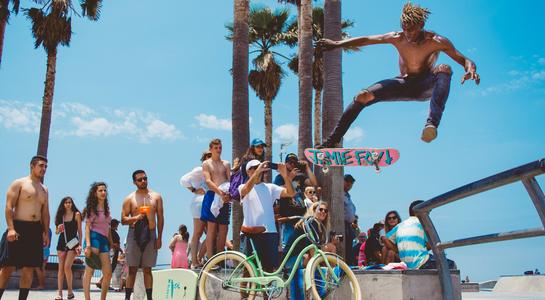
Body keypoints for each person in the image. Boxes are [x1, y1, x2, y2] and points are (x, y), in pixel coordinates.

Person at [316, 2, 480, 148]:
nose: (408, 33)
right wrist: (337, 43)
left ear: (421, 24)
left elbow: (464, 59)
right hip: (403, 84)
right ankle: (333, 140)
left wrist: (470, 68)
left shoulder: (436, 41)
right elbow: (367, 39)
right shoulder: (397, 37)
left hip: (425, 85)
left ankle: (431, 125)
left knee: (444, 68)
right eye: (404, 28)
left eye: (412, 29)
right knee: (362, 96)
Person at [0, 155, 50, 300]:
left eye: (46, 167)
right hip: (18, 228)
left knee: (29, 268)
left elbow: (45, 212)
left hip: (35, 230)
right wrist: (10, 228)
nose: (44, 169)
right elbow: (9, 206)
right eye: (41, 166)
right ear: (32, 166)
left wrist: (46, 232)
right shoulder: (19, 183)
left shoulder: (44, 189)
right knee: (7, 267)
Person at [238, 160, 295, 273]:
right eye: (254, 168)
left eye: (259, 167)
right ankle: (244, 291)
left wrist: (285, 175)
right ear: (248, 172)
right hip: (250, 233)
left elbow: (291, 193)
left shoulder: (270, 187)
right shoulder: (242, 187)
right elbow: (245, 191)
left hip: (270, 232)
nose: (258, 169)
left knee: (268, 270)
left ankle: (266, 291)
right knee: (248, 270)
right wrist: (257, 172)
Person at [122, 170, 165, 300]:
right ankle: (127, 297)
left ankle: (150, 298)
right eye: (140, 180)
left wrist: (159, 238)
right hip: (134, 234)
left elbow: (161, 218)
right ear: (134, 182)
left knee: (148, 269)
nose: (143, 181)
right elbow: (123, 220)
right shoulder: (129, 199)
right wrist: (136, 217)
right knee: (132, 269)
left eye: (145, 178)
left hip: (151, 234)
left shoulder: (156, 197)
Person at [383, 200, 456, 269]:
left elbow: (385, 239)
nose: (428, 213)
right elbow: (433, 244)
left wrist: (397, 249)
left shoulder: (400, 225)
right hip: (422, 263)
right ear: (419, 211)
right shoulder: (423, 224)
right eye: (427, 211)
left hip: (406, 264)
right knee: (451, 264)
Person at [283, 201, 330, 300]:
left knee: (317, 259)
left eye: (326, 211)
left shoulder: (315, 225)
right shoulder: (311, 223)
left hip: (296, 259)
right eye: (320, 209)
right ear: (313, 210)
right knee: (316, 262)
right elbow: (313, 251)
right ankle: (319, 293)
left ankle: (318, 293)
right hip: (292, 260)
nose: (323, 212)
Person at [274, 153, 318, 249]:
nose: (293, 165)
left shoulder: (300, 177)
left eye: (295, 162)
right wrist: (289, 178)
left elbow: (314, 183)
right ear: (285, 164)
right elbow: (278, 191)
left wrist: (307, 168)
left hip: (301, 219)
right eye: (290, 163)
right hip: (288, 219)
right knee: (289, 247)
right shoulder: (280, 177)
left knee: (303, 247)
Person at [200, 139, 231, 260]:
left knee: (224, 228)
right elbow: (208, 180)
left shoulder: (226, 163)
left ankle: (219, 259)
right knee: (211, 229)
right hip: (213, 195)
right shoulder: (206, 164)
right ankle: (211, 259)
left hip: (225, 197)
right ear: (211, 149)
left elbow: (230, 180)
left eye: (220, 148)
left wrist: (228, 194)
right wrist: (220, 192)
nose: (218, 150)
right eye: (216, 148)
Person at [179, 151, 211, 268]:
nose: (210, 159)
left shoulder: (214, 170)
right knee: (198, 232)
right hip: (199, 202)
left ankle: (199, 258)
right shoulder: (199, 170)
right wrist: (193, 190)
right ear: (203, 159)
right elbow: (183, 180)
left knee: (212, 233)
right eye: (208, 157)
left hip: (209, 202)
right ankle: (195, 261)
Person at [82, 182, 113, 300]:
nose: (103, 192)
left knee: (108, 273)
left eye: (105, 190)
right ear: (95, 193)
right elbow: (87, 227)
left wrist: (111, 241)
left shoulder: (107, 209)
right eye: (100, 190)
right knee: (90, 270)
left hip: (104, 240)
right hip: (93, 238)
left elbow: (108, 226)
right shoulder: (91, 209)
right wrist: (88, 245)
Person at [54, 196, 82, 300]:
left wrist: (79, 244)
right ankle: (60, 293)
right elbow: (57, 232)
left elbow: (80, 231)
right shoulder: (60, 215)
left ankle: (70, 290)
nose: (68, 204)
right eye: (66, 202)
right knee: (60, 269)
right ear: (63, 204)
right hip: (61, 243)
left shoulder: (77, 214)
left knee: (67, 267)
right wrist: (58, 229)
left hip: (73, 243)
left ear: (72, 203)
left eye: (69, 202)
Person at [96, 218, 121, 289]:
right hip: (113, 254)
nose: (118, 226)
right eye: (117, 225)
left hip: (106, 253)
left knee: (107, 269)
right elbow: (114, 245)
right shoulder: (115, 234)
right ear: (115, 225)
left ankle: (103, 282)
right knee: (110, 269)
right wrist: (120, 250)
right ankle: (102, 282)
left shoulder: (107, 232)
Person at [343, 174, 357, 265]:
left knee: (349, 250)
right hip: (341, 225)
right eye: (347, 181)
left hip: (348, 226)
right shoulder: (338, 193)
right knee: (345, 249)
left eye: (351, 182)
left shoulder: (347, 195)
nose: (349, 183)